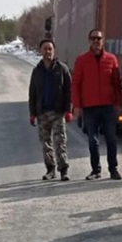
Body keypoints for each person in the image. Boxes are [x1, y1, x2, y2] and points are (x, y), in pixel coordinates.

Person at [72, 28, 122, 180]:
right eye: (93, 38)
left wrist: (118, 102)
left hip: (107, 106)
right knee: (92, 141)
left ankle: (113, 169)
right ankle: (96, 170)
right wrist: (77, 105)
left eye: (98, 39)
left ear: (103, 41)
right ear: (89, 41)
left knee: (111, 139)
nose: (96, 41)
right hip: (90, 106)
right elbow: (76, 84)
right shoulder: (81, 60)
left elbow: (116, 83)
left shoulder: (111, 59)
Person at [28, 39, 73, 181]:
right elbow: (32, 93)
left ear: (54, 50)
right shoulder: (37, 71)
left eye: (50, 49)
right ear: (41, 51)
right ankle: (50, 170)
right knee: (45, 143)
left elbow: (69, 91)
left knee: (60, 141)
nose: (47, 51)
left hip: (58, 112)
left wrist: (69, 110)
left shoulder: (62, 69)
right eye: (45, 49)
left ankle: (63, 170)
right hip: (42, 112)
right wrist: (32, 113)